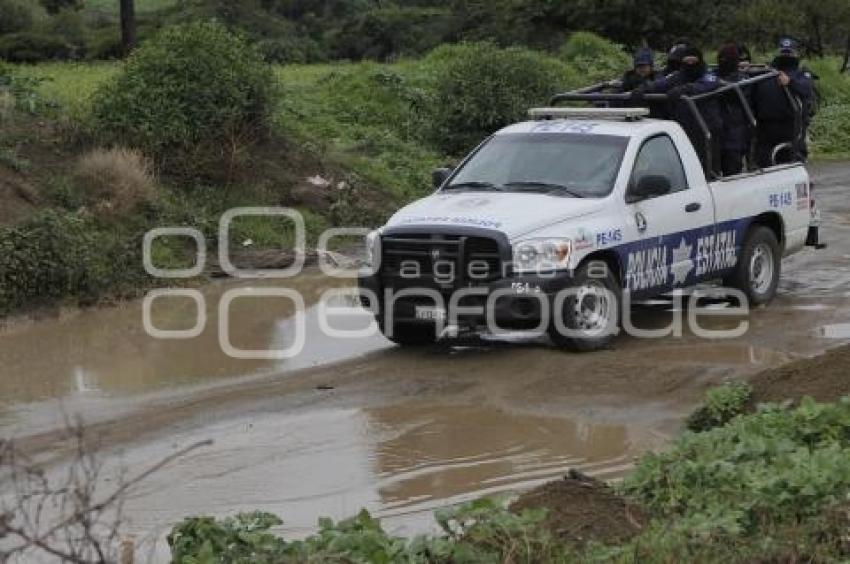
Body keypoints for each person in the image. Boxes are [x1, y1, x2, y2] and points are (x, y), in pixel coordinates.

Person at [635, 46, 723, 177]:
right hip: (685, 128)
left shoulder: (709, 75)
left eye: (693, 61)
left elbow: (706, 86)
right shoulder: (679, 75)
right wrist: (643, 89)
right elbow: (662, 83)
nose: (690, 64)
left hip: (707, 129)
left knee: (709, 167)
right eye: (687, 61)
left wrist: (684, 89)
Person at [751, 37, 814, 166]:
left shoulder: (801, 74)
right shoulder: (766, 72)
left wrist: (790, 82)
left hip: (790, 126)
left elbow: (806, 89)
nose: (786, 56)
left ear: (795, 54)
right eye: (784, 52)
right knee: (764, 162)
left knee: (789, 161)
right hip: (765, 126)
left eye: (789, 52)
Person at [715, 43, 750, 175]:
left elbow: (736, 91)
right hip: (717, 135)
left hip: (734, 136)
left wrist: (719, 84)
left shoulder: (742, 80)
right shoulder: (714, 76)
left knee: (732, 174)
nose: (723, 63)